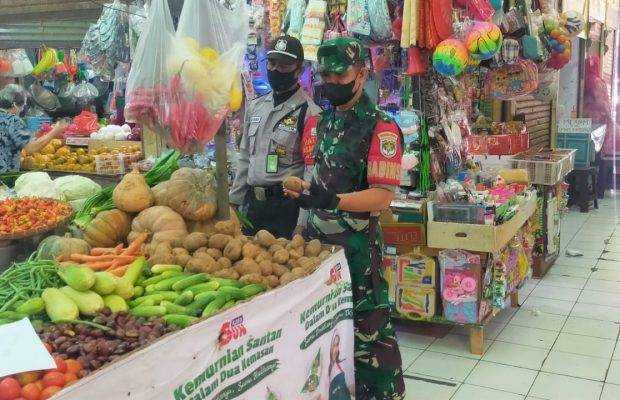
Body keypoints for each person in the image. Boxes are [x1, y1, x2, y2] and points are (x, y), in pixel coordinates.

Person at [284, 37, 405, 399]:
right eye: (325, 75)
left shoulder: (381, 127)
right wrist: (304, 191)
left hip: (358, 253)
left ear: (361, 74)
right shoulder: (321, 122)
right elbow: (320, 179)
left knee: (369, 335)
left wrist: (334, 200)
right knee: (328, 333)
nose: (332, 82)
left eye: (340, 75)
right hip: (319, 250)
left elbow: (382, 196)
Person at [230, 35, 320, 238]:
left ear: (299, 70)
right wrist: (233, 202)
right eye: (272, 63)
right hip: (253, 206)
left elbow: (311, 172)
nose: (276, 70)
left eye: (284, 65)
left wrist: (302, 223)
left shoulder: (309, 113)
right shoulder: (256, 107)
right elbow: (245, 157)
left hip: (286, 208)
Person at [0, 84, 66, 173]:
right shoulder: (13, 120)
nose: (22, 109)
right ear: (14, 104)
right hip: (4, 176)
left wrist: (34, 135)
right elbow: (31, 148)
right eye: (22, 106)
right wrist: (55, 131)